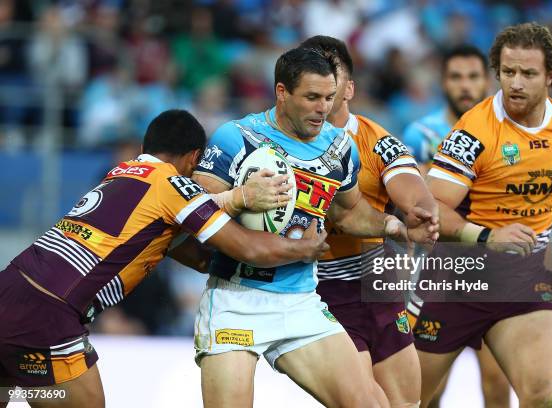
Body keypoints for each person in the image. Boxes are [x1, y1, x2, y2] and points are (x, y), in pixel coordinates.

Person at [0, 109, 330, 408]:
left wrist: (231, 200)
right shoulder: (172, 185)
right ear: (194, 158)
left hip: (9, 288)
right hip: (46, 314)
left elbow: (172, 231)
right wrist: (304, 248)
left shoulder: (122, 172)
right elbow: (248, 248)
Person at [191, 47, 415, 407]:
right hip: (237, 299)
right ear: (282, 92)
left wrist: (390, 224)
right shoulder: (236, 137)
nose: (322, 108)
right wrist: (241, 197)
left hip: (301, 301)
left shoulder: (340, 147)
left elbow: (348, 212)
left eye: (328, 97)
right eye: (311, 97)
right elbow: (194, 210)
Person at [411, 23, 552, 407]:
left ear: (551, 76)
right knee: (411, 400)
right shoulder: (473, 132)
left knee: (540, 393)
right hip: (457, 278)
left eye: (528, 74)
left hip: (523, 279)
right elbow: (430, 211)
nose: (515, 83)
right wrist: (485, 236)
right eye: (508, 72)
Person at [299, 35, 439, 408]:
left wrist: (420, 210)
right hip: (320, 292)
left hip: (378, 288)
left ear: (349, 89)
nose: (323, 84)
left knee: (407, 403)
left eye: (332, 74)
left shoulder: (377, 140)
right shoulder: (281, 145)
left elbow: (409, 184)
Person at [403, 45, 511, 408]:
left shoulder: (505, 132)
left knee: (497, 381)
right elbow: (405, 199)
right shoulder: (420, 134)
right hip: (438, 267)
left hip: (493, 269)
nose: (465, 86)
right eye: (456, 77)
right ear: (443, 82)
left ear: (487, 81)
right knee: (431, 385)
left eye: (473, 77)